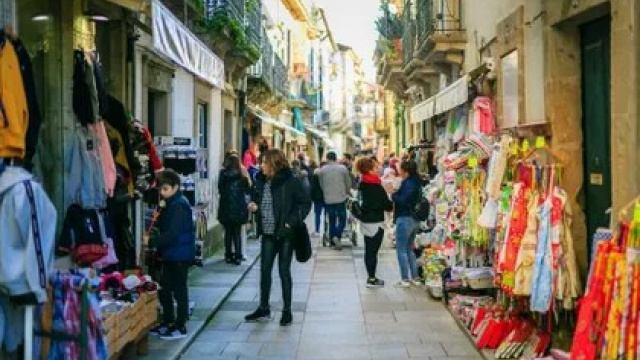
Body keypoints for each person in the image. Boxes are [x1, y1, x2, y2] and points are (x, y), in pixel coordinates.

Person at [245, 149, 311, 326]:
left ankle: (287, 311)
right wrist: (254, 205)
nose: (261, 166)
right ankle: (264, 307)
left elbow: (305, 203)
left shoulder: (291, 181)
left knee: (283, 271)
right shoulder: (260, 180)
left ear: (273, 164)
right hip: (267, 233)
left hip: (285, 233)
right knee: (265, 271)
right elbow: (258, 199)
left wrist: (290, 223)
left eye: (264, 162)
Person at [147, 169, 196, 340]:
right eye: (161, 189)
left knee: (179, 289)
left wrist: (154, 241)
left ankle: (180, 325)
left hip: (179, 254)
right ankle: (168, 321)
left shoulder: (180, 204)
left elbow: (173, 232)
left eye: (166, 189)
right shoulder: (170, 203)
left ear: (175, 187)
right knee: (165, 289)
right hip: (171, 253)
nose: (162, 192)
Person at [356, 157, 392, 288]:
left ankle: (371, 276)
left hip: (365, 221)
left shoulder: (363, 183)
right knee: (372, 252)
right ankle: (371, 278)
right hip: (375, 222)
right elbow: (386, 205)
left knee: (368, 250)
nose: (379, 169)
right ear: (369, 170)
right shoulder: (375, 186)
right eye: (376, 167)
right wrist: (389, 196)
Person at [386, 160, 422, 287]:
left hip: (405, 218)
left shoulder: (409, 184)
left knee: (401, 250)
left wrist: (392, 194)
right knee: (409, 249)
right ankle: (415, 277)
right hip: (414, 219)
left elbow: (404, 201)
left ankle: (405, 279)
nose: (399, 172)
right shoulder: (415, 182)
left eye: (401, 170)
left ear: (406, 171)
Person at [218, 153, 251, 265]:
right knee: (237, 233)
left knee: (228, 233)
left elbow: (220, 189)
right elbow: (247, 189)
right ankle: (238, 255)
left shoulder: (223, 174)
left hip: (226, 208)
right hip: (238, 208)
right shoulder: (242, 175)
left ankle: (228, 255)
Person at [316, 151, 352, 250]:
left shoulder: (322, 170)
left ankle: (333, 242)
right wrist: (348, 191)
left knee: (331, 220)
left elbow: (321, 184)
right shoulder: (343, 168)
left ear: (327, 159)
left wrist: (326, 193)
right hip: (341, 198)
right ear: (336, 159)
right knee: (342, 219)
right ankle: (337, 235)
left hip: (328, 199)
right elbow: (348, 182)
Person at [310, 161, 326, 236]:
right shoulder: (327, 175)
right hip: (326, 197)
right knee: (327, 214)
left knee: (317, 214)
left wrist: (311, 197)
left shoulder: (316, 175)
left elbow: (312, 187)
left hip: (317, 198)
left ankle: (317, 230)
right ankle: (326, 230)